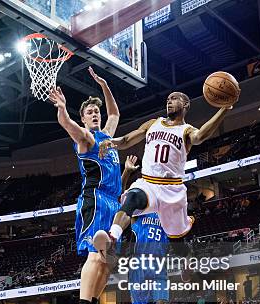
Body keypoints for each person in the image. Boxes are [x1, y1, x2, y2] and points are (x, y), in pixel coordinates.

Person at [92, 91, 235, 279]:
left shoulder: (187, 130)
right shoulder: (153, 123)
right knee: (132, 197)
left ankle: (187, 257)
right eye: (167, 99)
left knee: (177, 241)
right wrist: (111, 142)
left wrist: (225, 108)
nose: (169, 102)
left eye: (174, 99)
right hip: (149, 183)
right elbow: (127, 140)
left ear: (185, 105)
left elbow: (200, 136)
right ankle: (111, 239)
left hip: (172, 189)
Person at [48, 67, 121, 304]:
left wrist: (104, 85)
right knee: (95, 255)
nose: (95, 114)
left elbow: (114, 113)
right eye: (90, 112)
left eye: (96, 111)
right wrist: (63, 110)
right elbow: (68, 126)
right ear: (84, 118)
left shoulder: (108, 137)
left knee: (108, 263)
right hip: (95, 200)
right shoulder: (87, 139)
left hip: (114, 203)